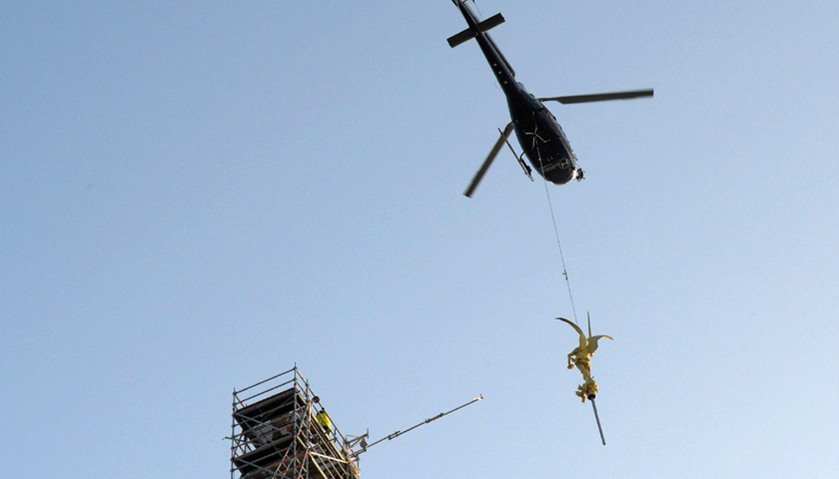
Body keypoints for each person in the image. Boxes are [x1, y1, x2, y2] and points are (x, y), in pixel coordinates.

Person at [556, 317, 612, 403]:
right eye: (581, 341)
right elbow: (569, 355)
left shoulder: (587, 349)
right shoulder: (577, 350)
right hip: (579, 362)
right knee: (586, 374)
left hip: (587, 362)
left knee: (588, 376)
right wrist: (569, 363)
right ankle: (587, 387)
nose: (582, 343)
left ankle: (588, 389)